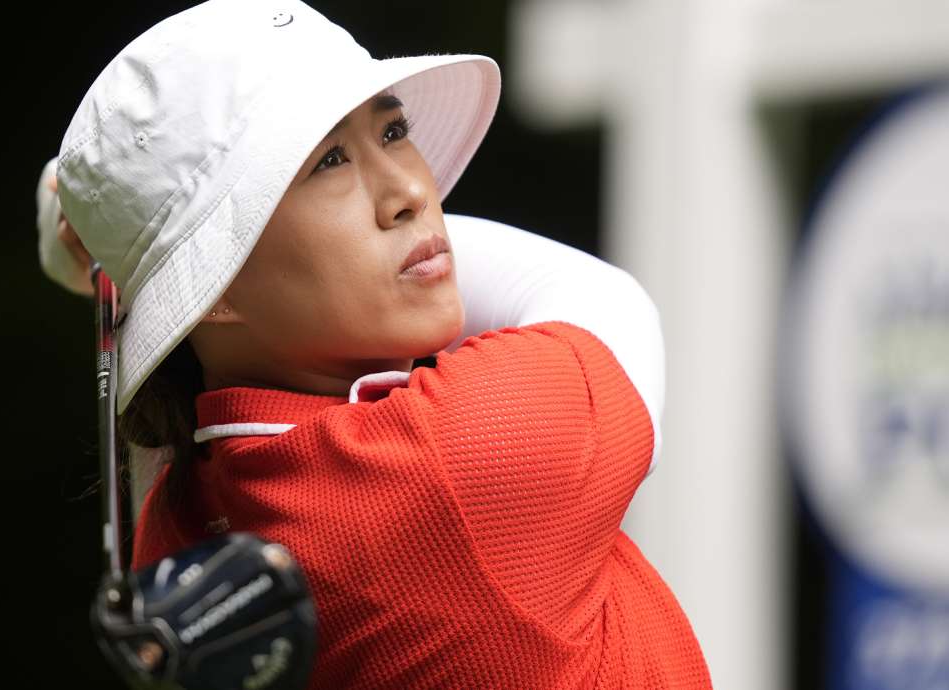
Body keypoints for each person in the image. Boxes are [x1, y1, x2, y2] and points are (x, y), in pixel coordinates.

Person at [37, 1, 712, 687]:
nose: (411, 192)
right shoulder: (455, 464)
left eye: (392, 130)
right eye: (327, 160)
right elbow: (601, 299)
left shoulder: (179, 531)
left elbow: (171, 406)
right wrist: (155, 260)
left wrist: (150, 258)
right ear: (215, 292)